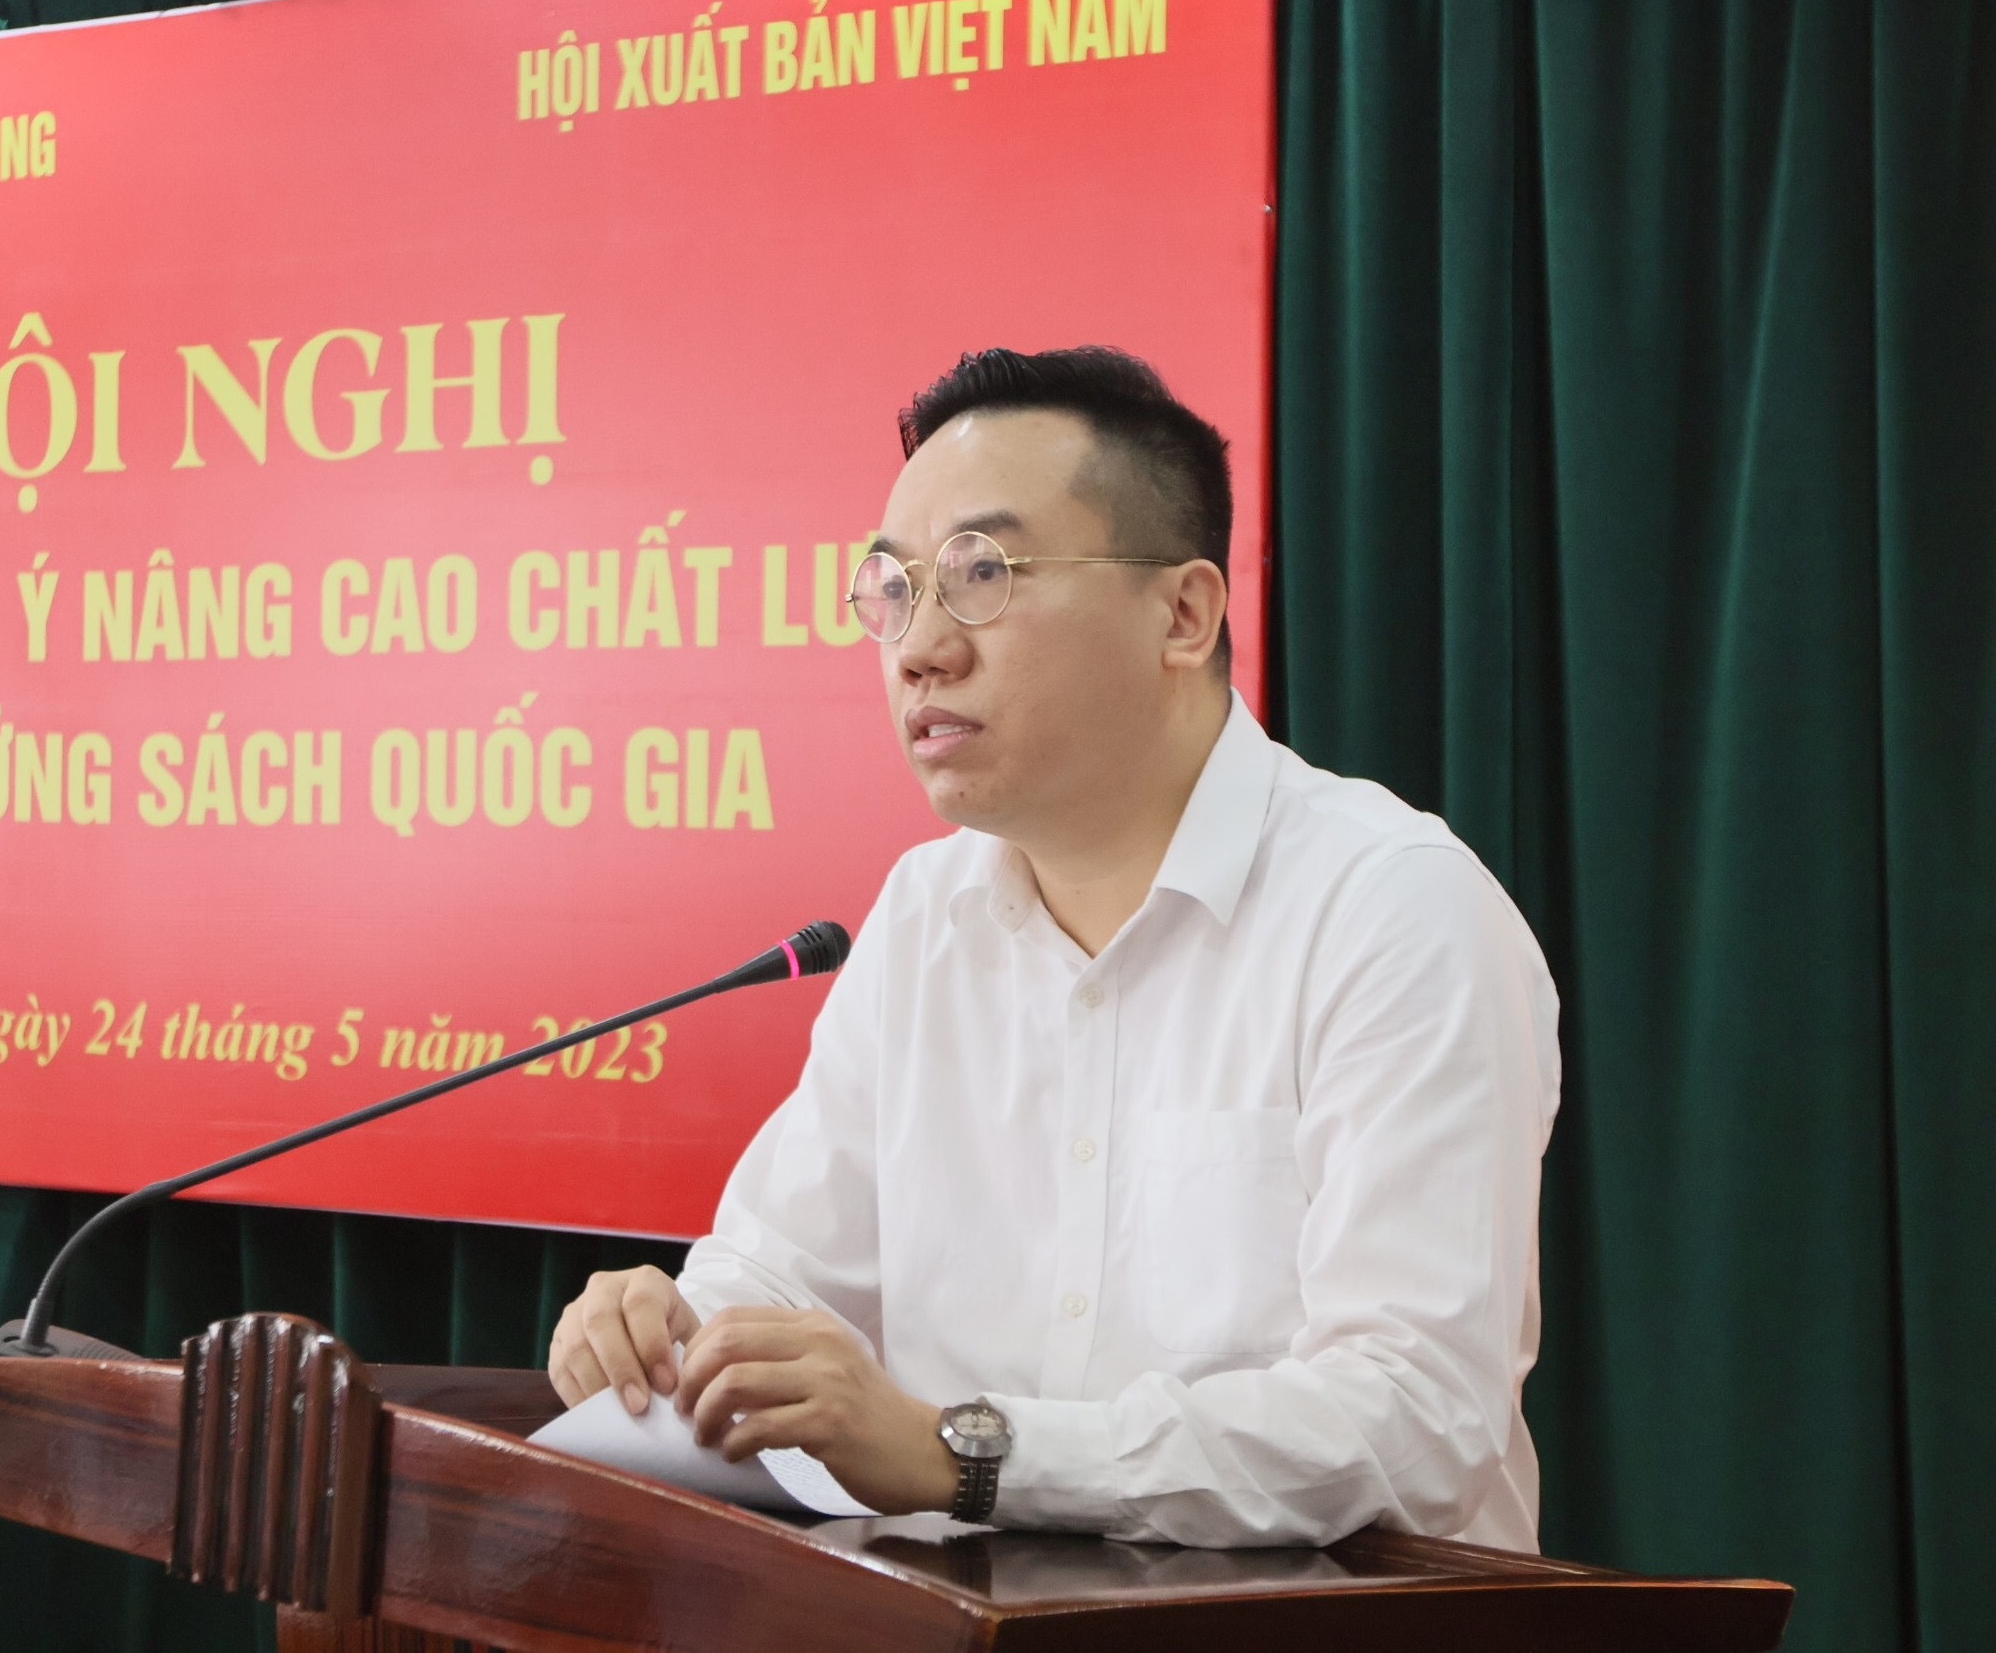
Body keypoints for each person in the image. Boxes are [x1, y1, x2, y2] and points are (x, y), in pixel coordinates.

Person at [546, 346, 1561, 1550]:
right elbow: (779, 1273)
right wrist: (670, 1330)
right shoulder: (924, 916)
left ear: (1182, 614)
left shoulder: (1391, 910)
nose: (919, 646)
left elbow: (1412, 1418)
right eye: (894, 587)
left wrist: (966, 1452)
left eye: (983, 573)